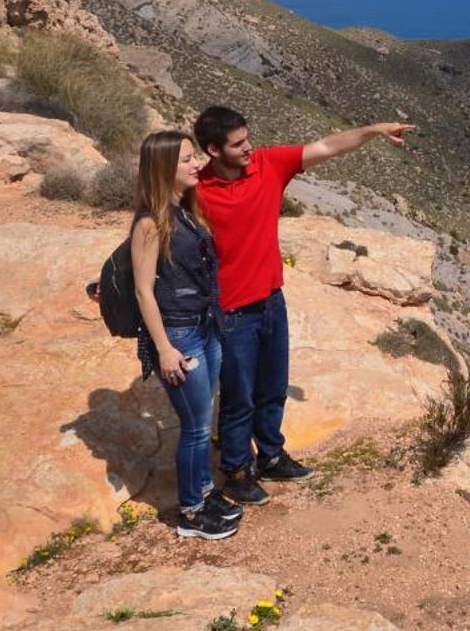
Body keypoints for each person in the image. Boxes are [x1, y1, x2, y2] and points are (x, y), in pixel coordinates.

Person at [194, 105, 417, 507]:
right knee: (239, 396)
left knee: (274, 387)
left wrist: (376, 129)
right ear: (213, 150)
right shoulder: (196, 190)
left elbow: (328, 145)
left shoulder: (268, 165)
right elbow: (155, 220)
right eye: (238, 144)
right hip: (230, 313)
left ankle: (272, 455)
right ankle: (238, 471)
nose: (249, 148)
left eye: (248, 138)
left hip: (271, 301)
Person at [130, 129, 240, 541]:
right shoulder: (149, 223)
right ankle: (191, 512)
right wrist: (164, 349)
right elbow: (143, 290)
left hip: (204, 327)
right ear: (163, 169)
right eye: (188, 160)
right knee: (194, 426)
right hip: (179, 334)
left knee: (201, 419)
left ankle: (204, 492)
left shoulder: (187, 209)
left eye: (196, 156)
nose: (199, 164)